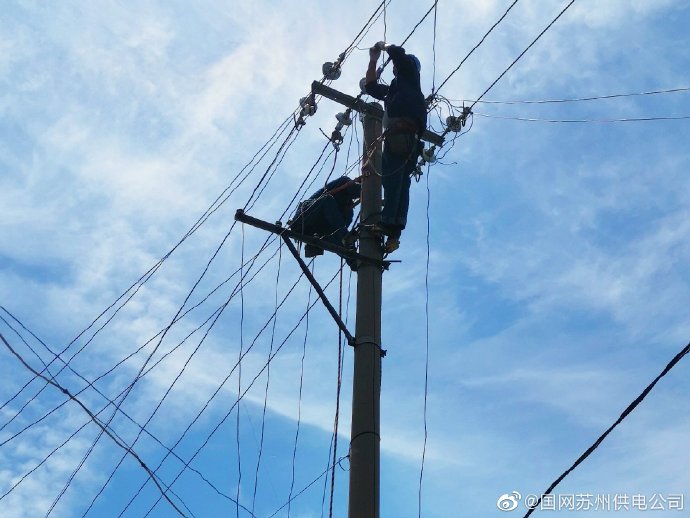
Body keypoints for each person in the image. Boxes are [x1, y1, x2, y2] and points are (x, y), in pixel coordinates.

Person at [365, 42, 427, 253]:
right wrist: (373, 60)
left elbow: (399, 54)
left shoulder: (409, 76)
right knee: (400, 185)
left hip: (402, 137)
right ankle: (394, 232)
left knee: (393, 182)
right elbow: (371, 87)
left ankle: (387, 222)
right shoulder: (395, 90)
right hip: (406, 141)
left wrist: (382, 46)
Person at [289, 176, 361, 263]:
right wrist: (370, 187)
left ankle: (353, 261)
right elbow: (354, 188)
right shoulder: (344, 181)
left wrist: (347, 245)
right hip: (304, 218)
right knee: (327, 200)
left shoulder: (348, 212)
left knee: (340, 238)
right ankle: (351, 254)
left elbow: (339, 233)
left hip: (318, 230)